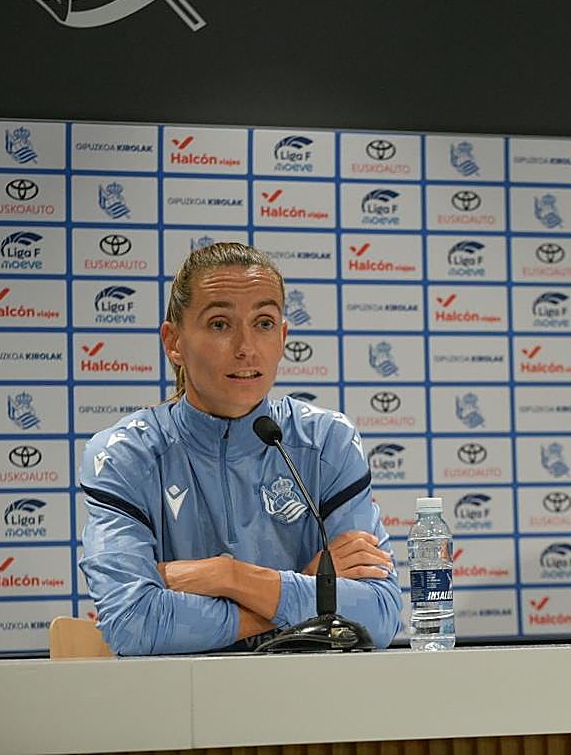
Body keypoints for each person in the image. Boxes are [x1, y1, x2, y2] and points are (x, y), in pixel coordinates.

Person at [79, 243, 401, 655]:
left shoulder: (325, 441)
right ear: (173, 342)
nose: (246, 347)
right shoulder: (125, 455)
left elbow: (380, 615)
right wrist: (304, 592)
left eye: (264, 323)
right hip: (179, 708)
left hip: (314, 706)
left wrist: (227, 576)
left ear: (283, 337)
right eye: (219, 325)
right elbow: (134, 622)